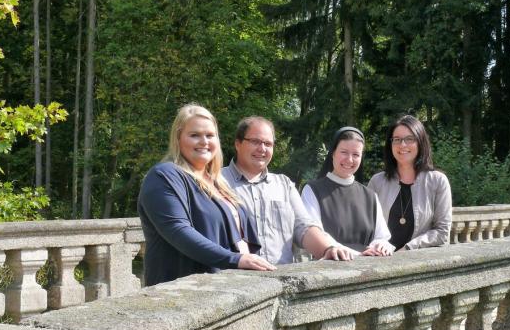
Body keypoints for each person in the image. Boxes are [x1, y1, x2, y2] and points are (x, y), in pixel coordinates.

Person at [138, 104, 276, 285]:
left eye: (210, 135)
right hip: (184, 294)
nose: (204, 141)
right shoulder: (164, 176)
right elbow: (178, 231)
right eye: (194, 135)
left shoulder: (218, 182)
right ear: (178, 138)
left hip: (227, 289)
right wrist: (236, 260)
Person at [222, 116, 353, 264]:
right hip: (233, 279)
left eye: (268, 144)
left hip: (280, 279)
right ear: (238, 143)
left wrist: (327, 249)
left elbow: (303, 226)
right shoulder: (216, 182)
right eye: (255, 141)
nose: (262, 148)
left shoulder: (284, 185)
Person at [301, 126, 395, 257]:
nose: (350, 160)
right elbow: (314, 233)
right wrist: (357, 254)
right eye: (344, 152)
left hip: (368, 270)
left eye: (356, 154)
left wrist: (381, 246)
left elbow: (381, 236)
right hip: (330, 268)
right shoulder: (312, 190)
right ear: (333, 153)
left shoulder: (370, 195)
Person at [367, 115, 452, 250]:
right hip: (380, 261)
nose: (402, 145)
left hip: (418, 264)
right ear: (391, 144)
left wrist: (408, 248)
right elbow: (367, 226)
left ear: (420, 142)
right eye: (397, 140)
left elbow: (442, 232)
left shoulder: (438, 181)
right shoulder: (377, 182)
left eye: (409, 139)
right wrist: (379, 245)